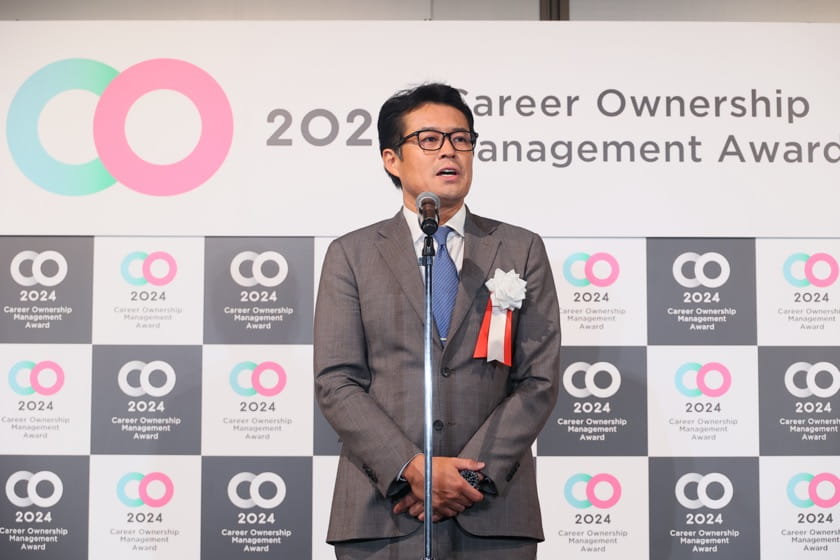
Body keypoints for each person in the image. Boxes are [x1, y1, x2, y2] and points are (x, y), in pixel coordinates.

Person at [314, 83, 562, 559]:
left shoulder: (520, 248)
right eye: (429, 139)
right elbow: (336, 381)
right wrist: (412, 468)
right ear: (391, 159)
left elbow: (539, 380)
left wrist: (466, 478)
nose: (449, 150)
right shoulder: (351, 254)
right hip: (384, 510)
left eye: (461, 138)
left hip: (492, 512)